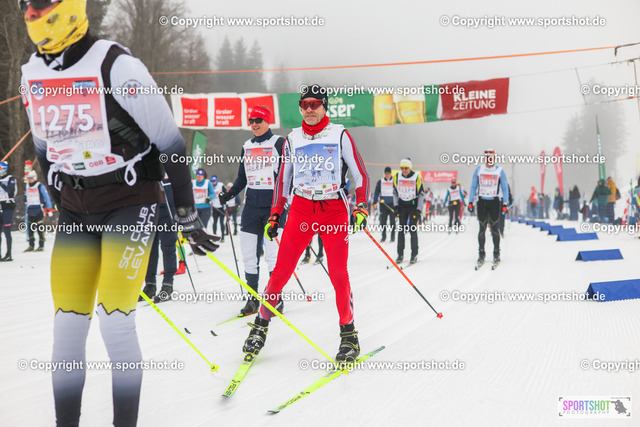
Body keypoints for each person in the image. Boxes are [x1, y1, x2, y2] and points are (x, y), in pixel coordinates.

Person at [19, 2, 219, 425]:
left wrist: (186, 214)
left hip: (129, 201)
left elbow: (171, 144)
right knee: (67, 326)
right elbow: (43, 151)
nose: (34, 13)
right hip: (76, 209)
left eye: (42, 6)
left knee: (114, 321)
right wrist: (61, 203)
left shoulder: (117, 65)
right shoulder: (32, 74)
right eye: (28, 7)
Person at [242, 84, 370, 363]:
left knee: (338, 274)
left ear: (325, 106)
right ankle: (260, 326)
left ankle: (349, 335)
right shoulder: (293, 138)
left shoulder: (340, 134)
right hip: (301, 209)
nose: (309, 109)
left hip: (333, 210)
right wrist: (276, 213)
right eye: (304, 105)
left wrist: (361, 206)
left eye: (315, 104)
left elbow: (360, 174)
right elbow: (283, 180)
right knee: (280, 272)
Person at [218, 106, 286, 315]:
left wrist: (287, 201)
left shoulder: (279, 143)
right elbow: (242, 177)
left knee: (273, 257)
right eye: (251, 121)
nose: (254, 124)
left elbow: (288, 175)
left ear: (267, 121)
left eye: (258, 120)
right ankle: (252, 299)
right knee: (248, 256)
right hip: (251, 208)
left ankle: (276, 298)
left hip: (274, 208)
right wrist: (230, 194)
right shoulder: (246, 146)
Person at [140, 175, 178, 302]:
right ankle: (150, 284)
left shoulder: (171, 164)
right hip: (149, 208)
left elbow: (181, 184)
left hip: (168, 209)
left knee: (168, 246)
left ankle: (168, 284)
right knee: (149, 248)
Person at [468, 149, 509, 264]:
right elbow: (473, 186)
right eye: (487, 157)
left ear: (494, 158)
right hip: (482, 202)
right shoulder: (479, 170)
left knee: (495, 229)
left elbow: (505, 188)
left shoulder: (499, 171)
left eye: (491, 157)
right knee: (482, 229)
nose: (489, 159)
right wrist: (470, 202)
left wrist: (505, 203)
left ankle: (496, 253)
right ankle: (481, 253)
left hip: (494, 202)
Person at [392, 158, 424, 264]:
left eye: (406, 168)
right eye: (402, 168)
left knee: (412, 229)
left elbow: (421, 195)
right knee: (401, 230)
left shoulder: (416, 177)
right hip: (402, 206)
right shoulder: (397, 177)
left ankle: (414, 255)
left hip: (413, 206)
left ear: (410, 168)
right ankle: (400, 255)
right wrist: (396, 206)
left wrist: (419, 209)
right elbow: (395, 193)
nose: (404, 170)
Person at [24, 170, 54, 252]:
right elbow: (25, 198)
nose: (29, 180)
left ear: (35, 178)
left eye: (30, 178)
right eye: (28, 178)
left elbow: (46, 197)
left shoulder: (40, 186)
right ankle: (31, 245)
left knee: (39, 228)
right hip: (30, 209)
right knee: (30, 229)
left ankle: (41, 245)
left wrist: (49, 208)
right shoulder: (26, 186)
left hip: (39, 209)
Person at [372, 166, 395, 242]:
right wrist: (374, 202)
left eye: (388, 173)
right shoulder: (380, 182)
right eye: (386, 173)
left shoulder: (394, 181)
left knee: (392, 222)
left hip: (392, 204)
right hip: (383, 204)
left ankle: (392, 237)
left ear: (391, 174)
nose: (387, 175)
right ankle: (383, 237)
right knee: (383, 222)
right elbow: (376, 193)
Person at [0, 161, 17, 261]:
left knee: (7, 231)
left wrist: (1, 184)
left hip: (8, 206)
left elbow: (10, 190)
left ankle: (9, 254)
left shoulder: (10, 178)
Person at [209, 175, 226, 241]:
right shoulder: (210, 186)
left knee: (221, 222)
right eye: (212, 181)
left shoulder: (221, 185)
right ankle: (214, 236)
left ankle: (223, 236)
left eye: (214, 181)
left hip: (221, 207)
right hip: (214, 207)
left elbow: (226, 194)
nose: (213, 182)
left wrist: (224, 201)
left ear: (217, 181)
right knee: (215, 222)